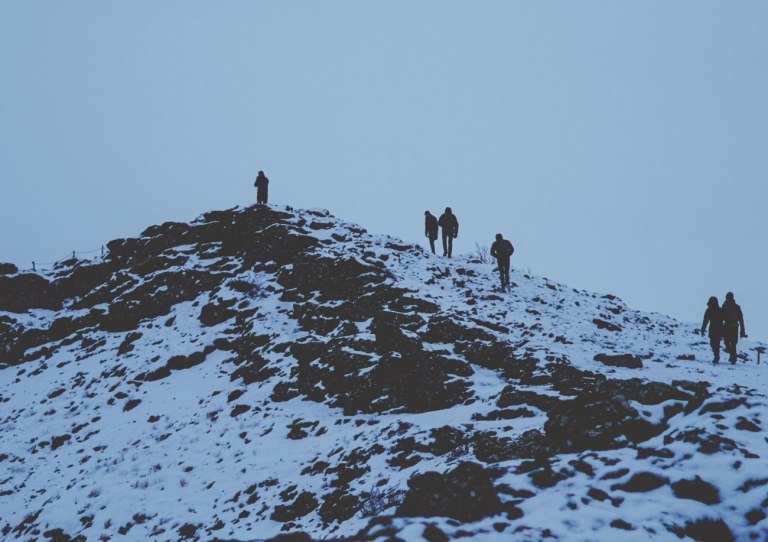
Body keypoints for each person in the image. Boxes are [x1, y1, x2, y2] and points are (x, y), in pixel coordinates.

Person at [721, 292, 747, 363]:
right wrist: (742, 331)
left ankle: (733, 357)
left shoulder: (726, 306)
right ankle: (733, 356)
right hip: (732, 327)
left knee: (729, 343)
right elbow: (741, 320)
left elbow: (721, 317)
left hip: (729, 326)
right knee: (731, 343)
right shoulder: (734, 306)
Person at [701, 296, 724, 364]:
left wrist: (703, 329)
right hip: (718, 328)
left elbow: (705, 321)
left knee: (714, 343)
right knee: (715, 343)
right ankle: (716, 355)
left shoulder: (709, 310)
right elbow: (705, 321)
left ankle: (716, 356)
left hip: (715, 329)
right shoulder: (718, 310)